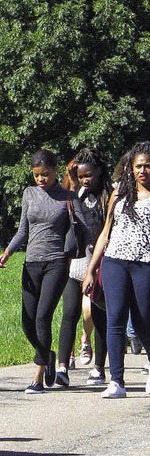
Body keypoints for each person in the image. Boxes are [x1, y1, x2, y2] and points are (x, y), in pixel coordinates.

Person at [83, 142, 150, 399]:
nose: (142, 171)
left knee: (144, 318)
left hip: (145, 263)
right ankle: (117, 381)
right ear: (130, 168)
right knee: (116, 319)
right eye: (138, 166)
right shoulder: (119, 193)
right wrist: (91, 269)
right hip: (114, 261)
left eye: (147, 166)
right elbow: (105, 232)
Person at [1, 150, 89, 393]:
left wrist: (96, 258)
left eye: (46, 175)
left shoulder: (68, 197)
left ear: (54, 170)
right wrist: (8, 251)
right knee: (27, 322)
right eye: (37, 175)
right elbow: (23, 230)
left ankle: (38, 377)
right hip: (32, 263)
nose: (41, 179)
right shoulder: (29, 194)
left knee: (42, 317)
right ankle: (47, 355)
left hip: (57, 263)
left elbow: (85, 230)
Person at [56, 148, 111, 387]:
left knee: (100, 317)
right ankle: (62, 367)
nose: (85, 180)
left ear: (98, 172)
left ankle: (99, 368)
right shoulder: (75, 192)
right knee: (69, 314)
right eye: (81, 176)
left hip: (100, 264)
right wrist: (70, 178)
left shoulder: (108, 196)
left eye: (89, 175)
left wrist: (98, 265)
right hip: (76, 263)